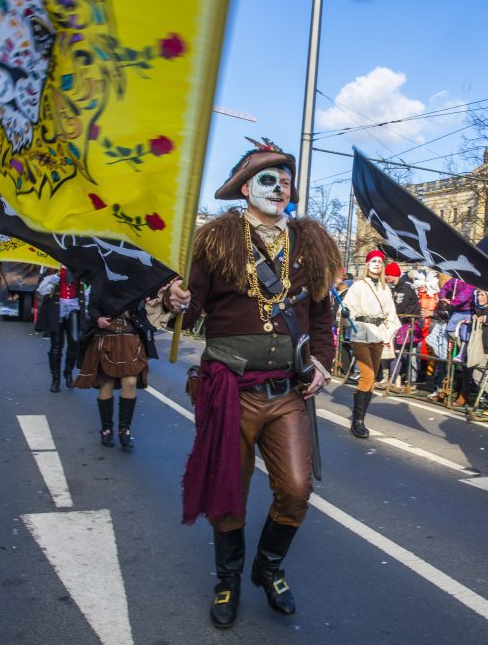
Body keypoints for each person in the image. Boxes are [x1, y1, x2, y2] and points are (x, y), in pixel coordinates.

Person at [164, 139, 339, 629]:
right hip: (229, 388)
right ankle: (229, 579)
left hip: (286, 392)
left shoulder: (312, 240)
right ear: (244, 188)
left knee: (297, 489)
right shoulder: (214, 237)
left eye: (285, 178)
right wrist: (174, 297)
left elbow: (322, 314)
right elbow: (191, 307)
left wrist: (322, 361)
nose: (279, 186)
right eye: (268, 178)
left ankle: (269, 567)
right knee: (229, 490)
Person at [73, 294, 150, 448]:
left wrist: (144, 302)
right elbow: (93, 306)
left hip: (130, 339)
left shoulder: (138, 282)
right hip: (106, 336)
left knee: (130, 381)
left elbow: (147, 309)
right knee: (106, 383)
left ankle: (124, 430)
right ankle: (107, 429)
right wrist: (98, 319)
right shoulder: (102, 279)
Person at [342, 249, 399, 438]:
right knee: (367, 375)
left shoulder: (385, 288)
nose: (377, 264)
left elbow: (391, 314)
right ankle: (357, 421)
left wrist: (387, 333)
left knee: (372, 378)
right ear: (367, 264)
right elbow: (347, 308)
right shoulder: (358, 286)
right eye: (373, 261)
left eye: (380, 261)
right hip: (361, 332)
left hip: (378, 335)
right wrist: (345, 314)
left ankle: (360, 418)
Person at [35, 267, 84, 392]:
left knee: (75, 340)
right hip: (56, 308)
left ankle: (68, 372)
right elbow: (41, 290)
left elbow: (87, 288)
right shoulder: (53, 268)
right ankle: (55, 379)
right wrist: (52, 280)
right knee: (56, 345)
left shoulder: (80, 267)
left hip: (74, 307)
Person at [383, 261, 419, 391]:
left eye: (388, 274)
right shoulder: (395, 288)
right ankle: (393, 380)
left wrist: (389, 313)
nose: (386, 277)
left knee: (409, 353)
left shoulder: (405, 288)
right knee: (396, 352)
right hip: (399, 323)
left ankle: (412, 381)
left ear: (394, 275)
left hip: (409, 324)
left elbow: (400, 307)